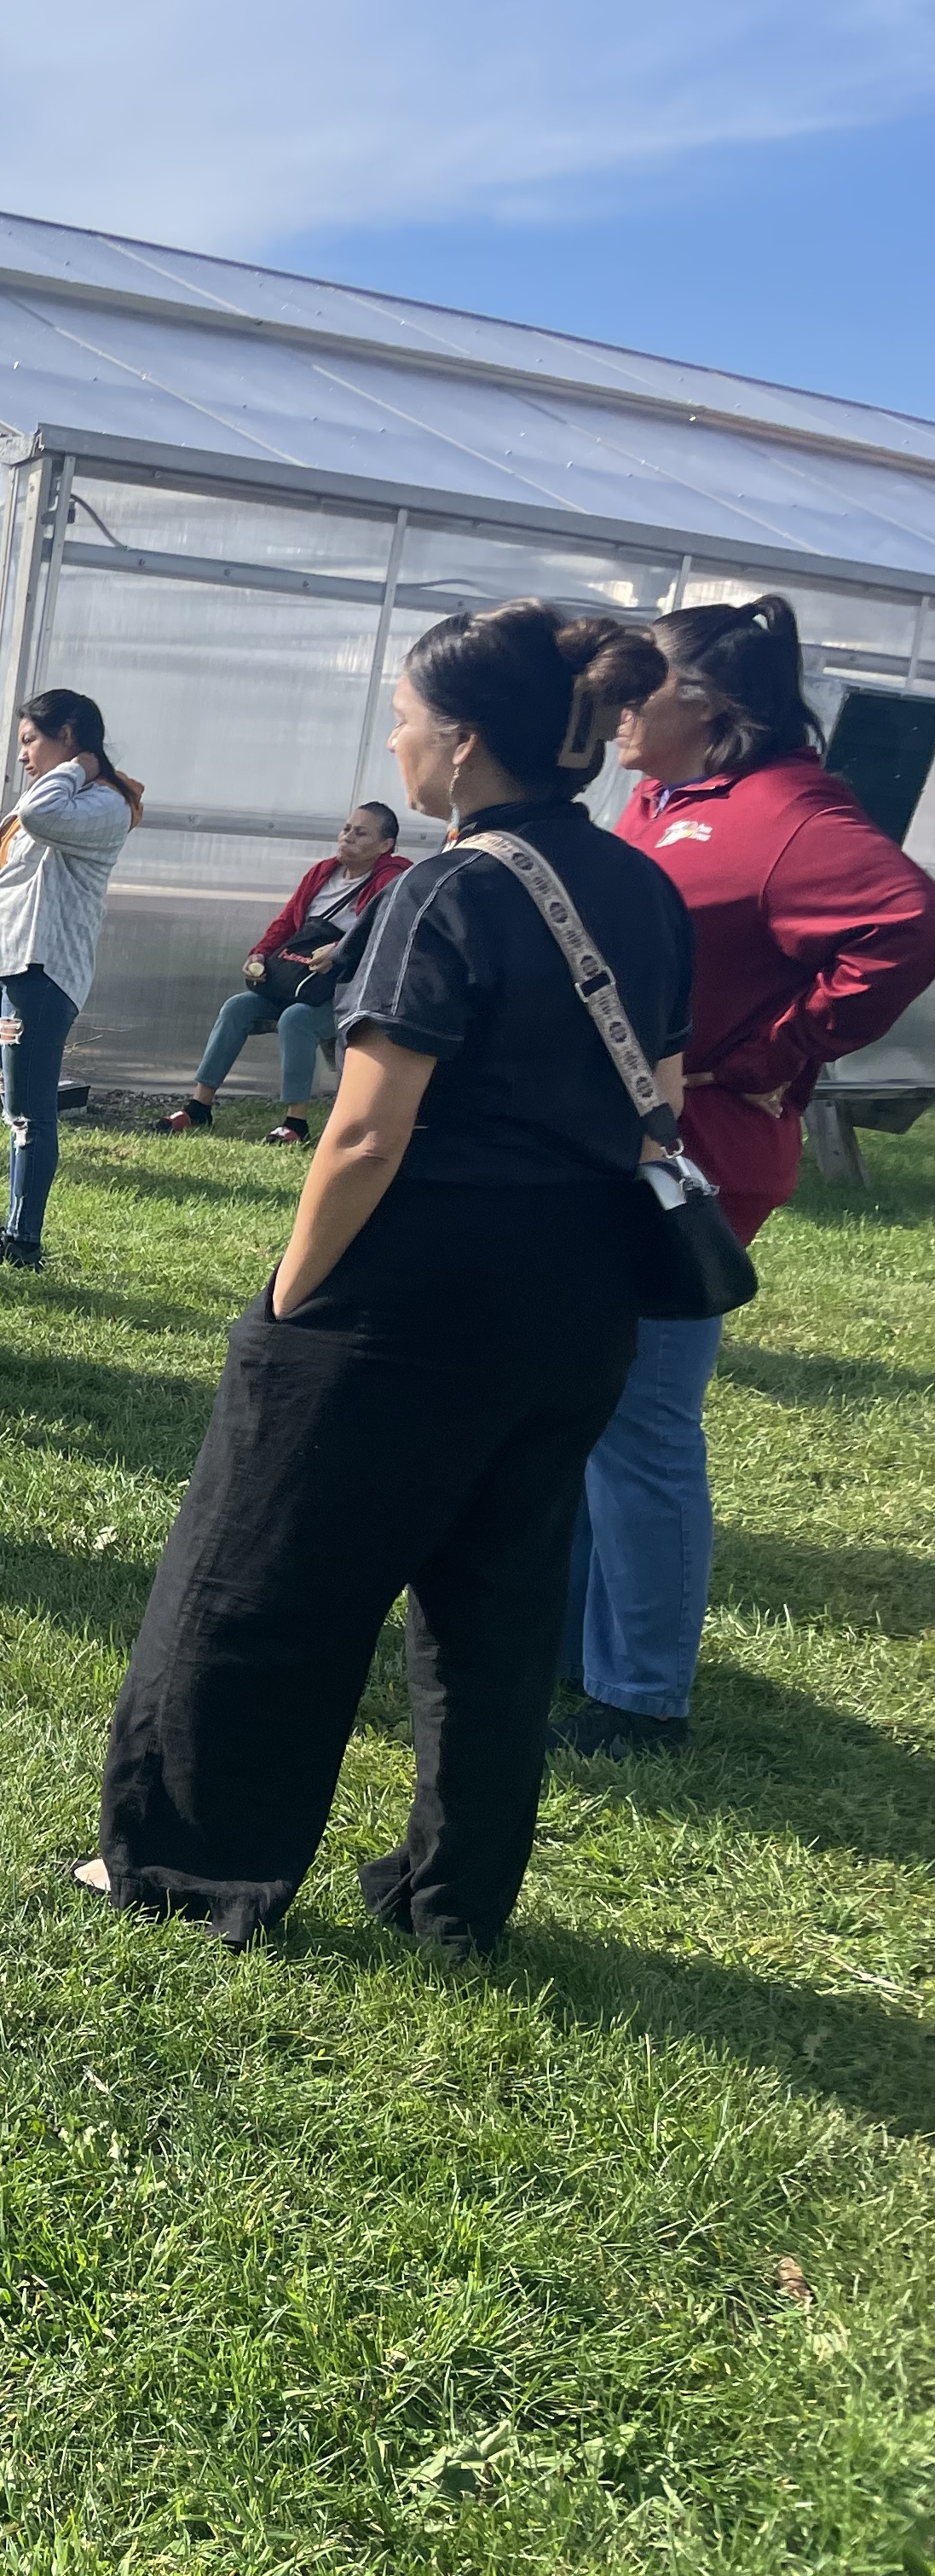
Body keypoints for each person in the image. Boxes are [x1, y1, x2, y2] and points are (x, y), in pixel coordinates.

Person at [83, 602, 683, 1956]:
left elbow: (363, 1126)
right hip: (582, 1293)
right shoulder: (645, 888)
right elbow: (671, 1102)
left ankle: (186, 1868)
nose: (396, 740)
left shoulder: (448, 888)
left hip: (410, 1295)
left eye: (406, 717)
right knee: (496, 1608)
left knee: (259, 1580)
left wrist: (292, 1296)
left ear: (465, 745)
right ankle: (450, 1898)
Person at [559, 594, 935, 1757]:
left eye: (640, 687)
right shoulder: (662, 796)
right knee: (590, 1406)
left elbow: (908, 924)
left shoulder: (786, 813)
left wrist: (771, 1055)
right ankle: (582, 1653)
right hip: (613, 1143)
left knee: (644, 1419)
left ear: (710, 707)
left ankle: (642, 1699)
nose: (617, 706)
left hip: (698, 1156)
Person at [0, 690, 137, 1270]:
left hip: (41, 967)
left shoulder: (105, 802)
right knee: (14, 1108)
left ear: (69, 733)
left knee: (32, 1111)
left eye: (32, 741)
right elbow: (1, 884)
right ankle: (13, 1229)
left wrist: (82, 765)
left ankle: (24, 1241)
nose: (23, 757)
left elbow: (39, 815)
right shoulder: (64, 793)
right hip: (3, 964)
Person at [160, 804, 411, 1141]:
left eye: (361, 833)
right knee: (237, 1007)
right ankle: (199, 1107)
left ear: (385, 845)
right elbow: (286, 924)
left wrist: (340, 953)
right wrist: (259, 956)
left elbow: (384, 936)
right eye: (346, 828)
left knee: (297, 1020)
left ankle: (296, 1123)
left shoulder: (393, 880)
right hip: (299, 981)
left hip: (344, 993)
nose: (347, 837)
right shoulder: (322, 873)